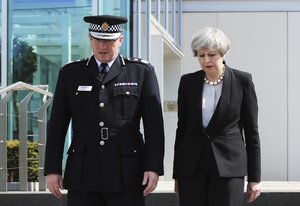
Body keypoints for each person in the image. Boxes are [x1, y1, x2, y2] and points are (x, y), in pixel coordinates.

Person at [44, 15, 165, 206]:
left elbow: (154, 126)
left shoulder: (141, 72)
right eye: (98, 40)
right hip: (83, 172)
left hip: (127, 173)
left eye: (109, 41)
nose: (103, 46)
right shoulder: (71, 73)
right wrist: (52, 168)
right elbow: (58, 125)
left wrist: (153, 167)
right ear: (90, 39)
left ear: (120, 40)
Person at [172, 27, 261, 206]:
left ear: (224, 53)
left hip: (229, 168)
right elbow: (182, 130)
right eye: (200, 55)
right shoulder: (187, 82)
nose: (206, 60)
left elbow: (252, 132)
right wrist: (178, 174)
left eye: (211, 54)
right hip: (192, 169)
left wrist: (255, 178)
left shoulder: (242, 81)